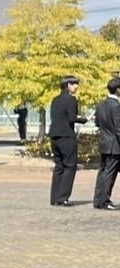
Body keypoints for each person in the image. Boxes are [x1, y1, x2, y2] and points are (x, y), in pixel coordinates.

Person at [49, 75, 89, 206]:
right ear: (68, 85)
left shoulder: (55, 100)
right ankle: (63, 197)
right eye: (74, 84)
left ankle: (55, 198)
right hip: (66, 136)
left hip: (54, 136)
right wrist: (84, 119)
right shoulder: (71, 99)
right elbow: (72, 118)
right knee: (70, 166)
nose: (76, 86)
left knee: (59, 166)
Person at [93, 77, 120, 210]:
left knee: (103, 172)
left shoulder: (101, 104)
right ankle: (104, 201)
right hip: (114, 144)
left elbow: (97, 123)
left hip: (104, 142)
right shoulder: (116, 106)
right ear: (118, 90)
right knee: (109, 173)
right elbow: (118, 127)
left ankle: (98, 200)